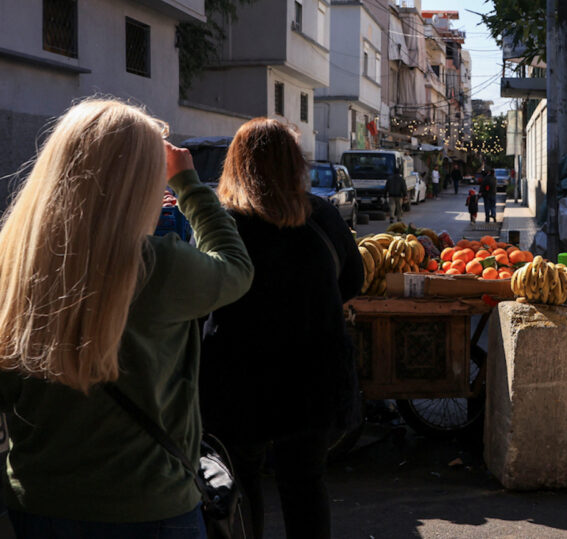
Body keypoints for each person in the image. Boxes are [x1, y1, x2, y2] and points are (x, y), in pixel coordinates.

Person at [0, 99, 253, 535]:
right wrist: (189, 184)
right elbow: (236, 267)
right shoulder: (160, 268)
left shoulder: (14, 264)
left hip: (39, 504)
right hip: (152, 507)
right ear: (135, 187)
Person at [200, 118, 363, 539]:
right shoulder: (322, 215)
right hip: (314, 378)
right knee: (304, 483)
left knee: (239, 481)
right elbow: (354, 282)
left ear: (234, 163)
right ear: (296, 163)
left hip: (237, 378)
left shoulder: (221, 222)